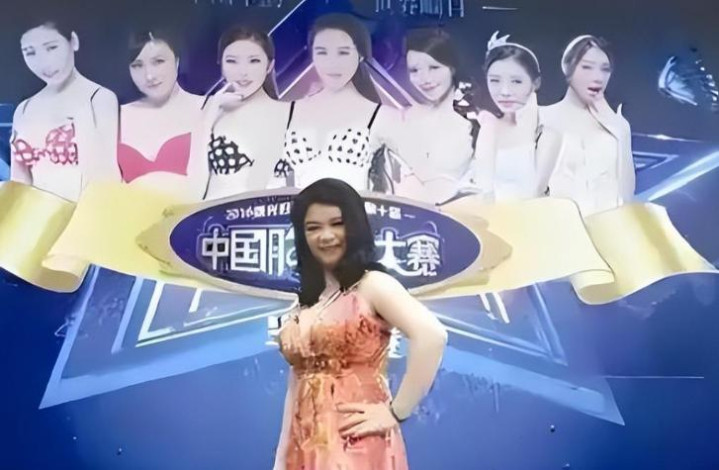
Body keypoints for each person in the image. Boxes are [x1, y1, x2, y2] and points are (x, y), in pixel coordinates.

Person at [274, 178, 447, 469]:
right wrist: (281, 457)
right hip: (304, 445)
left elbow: (432, 336)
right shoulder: (307, 302)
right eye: (313, 228)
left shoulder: (373, 285)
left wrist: (396, 411)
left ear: (354, 227)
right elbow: (297, 382)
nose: (326, 236)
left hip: (356, 444)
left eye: (337, 224)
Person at [273, 13, 399, 192]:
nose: (332, 63)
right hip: (302, 208)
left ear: (360, 55)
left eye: (343, 53)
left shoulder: (381, 116)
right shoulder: (290, 111)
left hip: (355, 207)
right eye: (322, 52)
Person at [10, 17, 120, 202]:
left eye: (51, 48)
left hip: (83, 212)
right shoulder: (24, 109)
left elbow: (107, 177)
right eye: (30, 52)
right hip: (35, 216)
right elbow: (18, 184)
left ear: (73, 41)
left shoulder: (98, 99)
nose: (43, 62)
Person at [541, 35, 634, 216]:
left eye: (605, 69)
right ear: (568, 68)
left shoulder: (616, 126)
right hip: (554, 225)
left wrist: (623, 134)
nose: (597, 77)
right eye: (587, 67)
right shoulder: (541, 118)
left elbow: (627, 198)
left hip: (604, 227)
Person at [391, 28, 479, 204]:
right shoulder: (402, 118)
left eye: (434, 68)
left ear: (452, 68)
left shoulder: (475, 121)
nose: (425, 79)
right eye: (414, 70)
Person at [202, 24, 291, 199]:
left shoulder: (290, 114)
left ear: (269, 65)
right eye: (232, 61)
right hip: (215, 211)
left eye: (253, 61)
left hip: (272, 211)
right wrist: (210, 113)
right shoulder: (211, 113)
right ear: (221, 64)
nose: (243, 72)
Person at [118, 28, 207, 201]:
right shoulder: (115, 118)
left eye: (158, 61)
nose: (149, 75)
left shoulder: (208, 109)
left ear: (177, 60)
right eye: (137, 65)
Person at [474, 31, 560, 202]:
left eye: (516, 81)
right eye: (495, 81)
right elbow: (482, 190)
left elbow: (540, 193)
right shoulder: (487, 127)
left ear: (535, 83)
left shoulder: (549, 131)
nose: (504, 92)